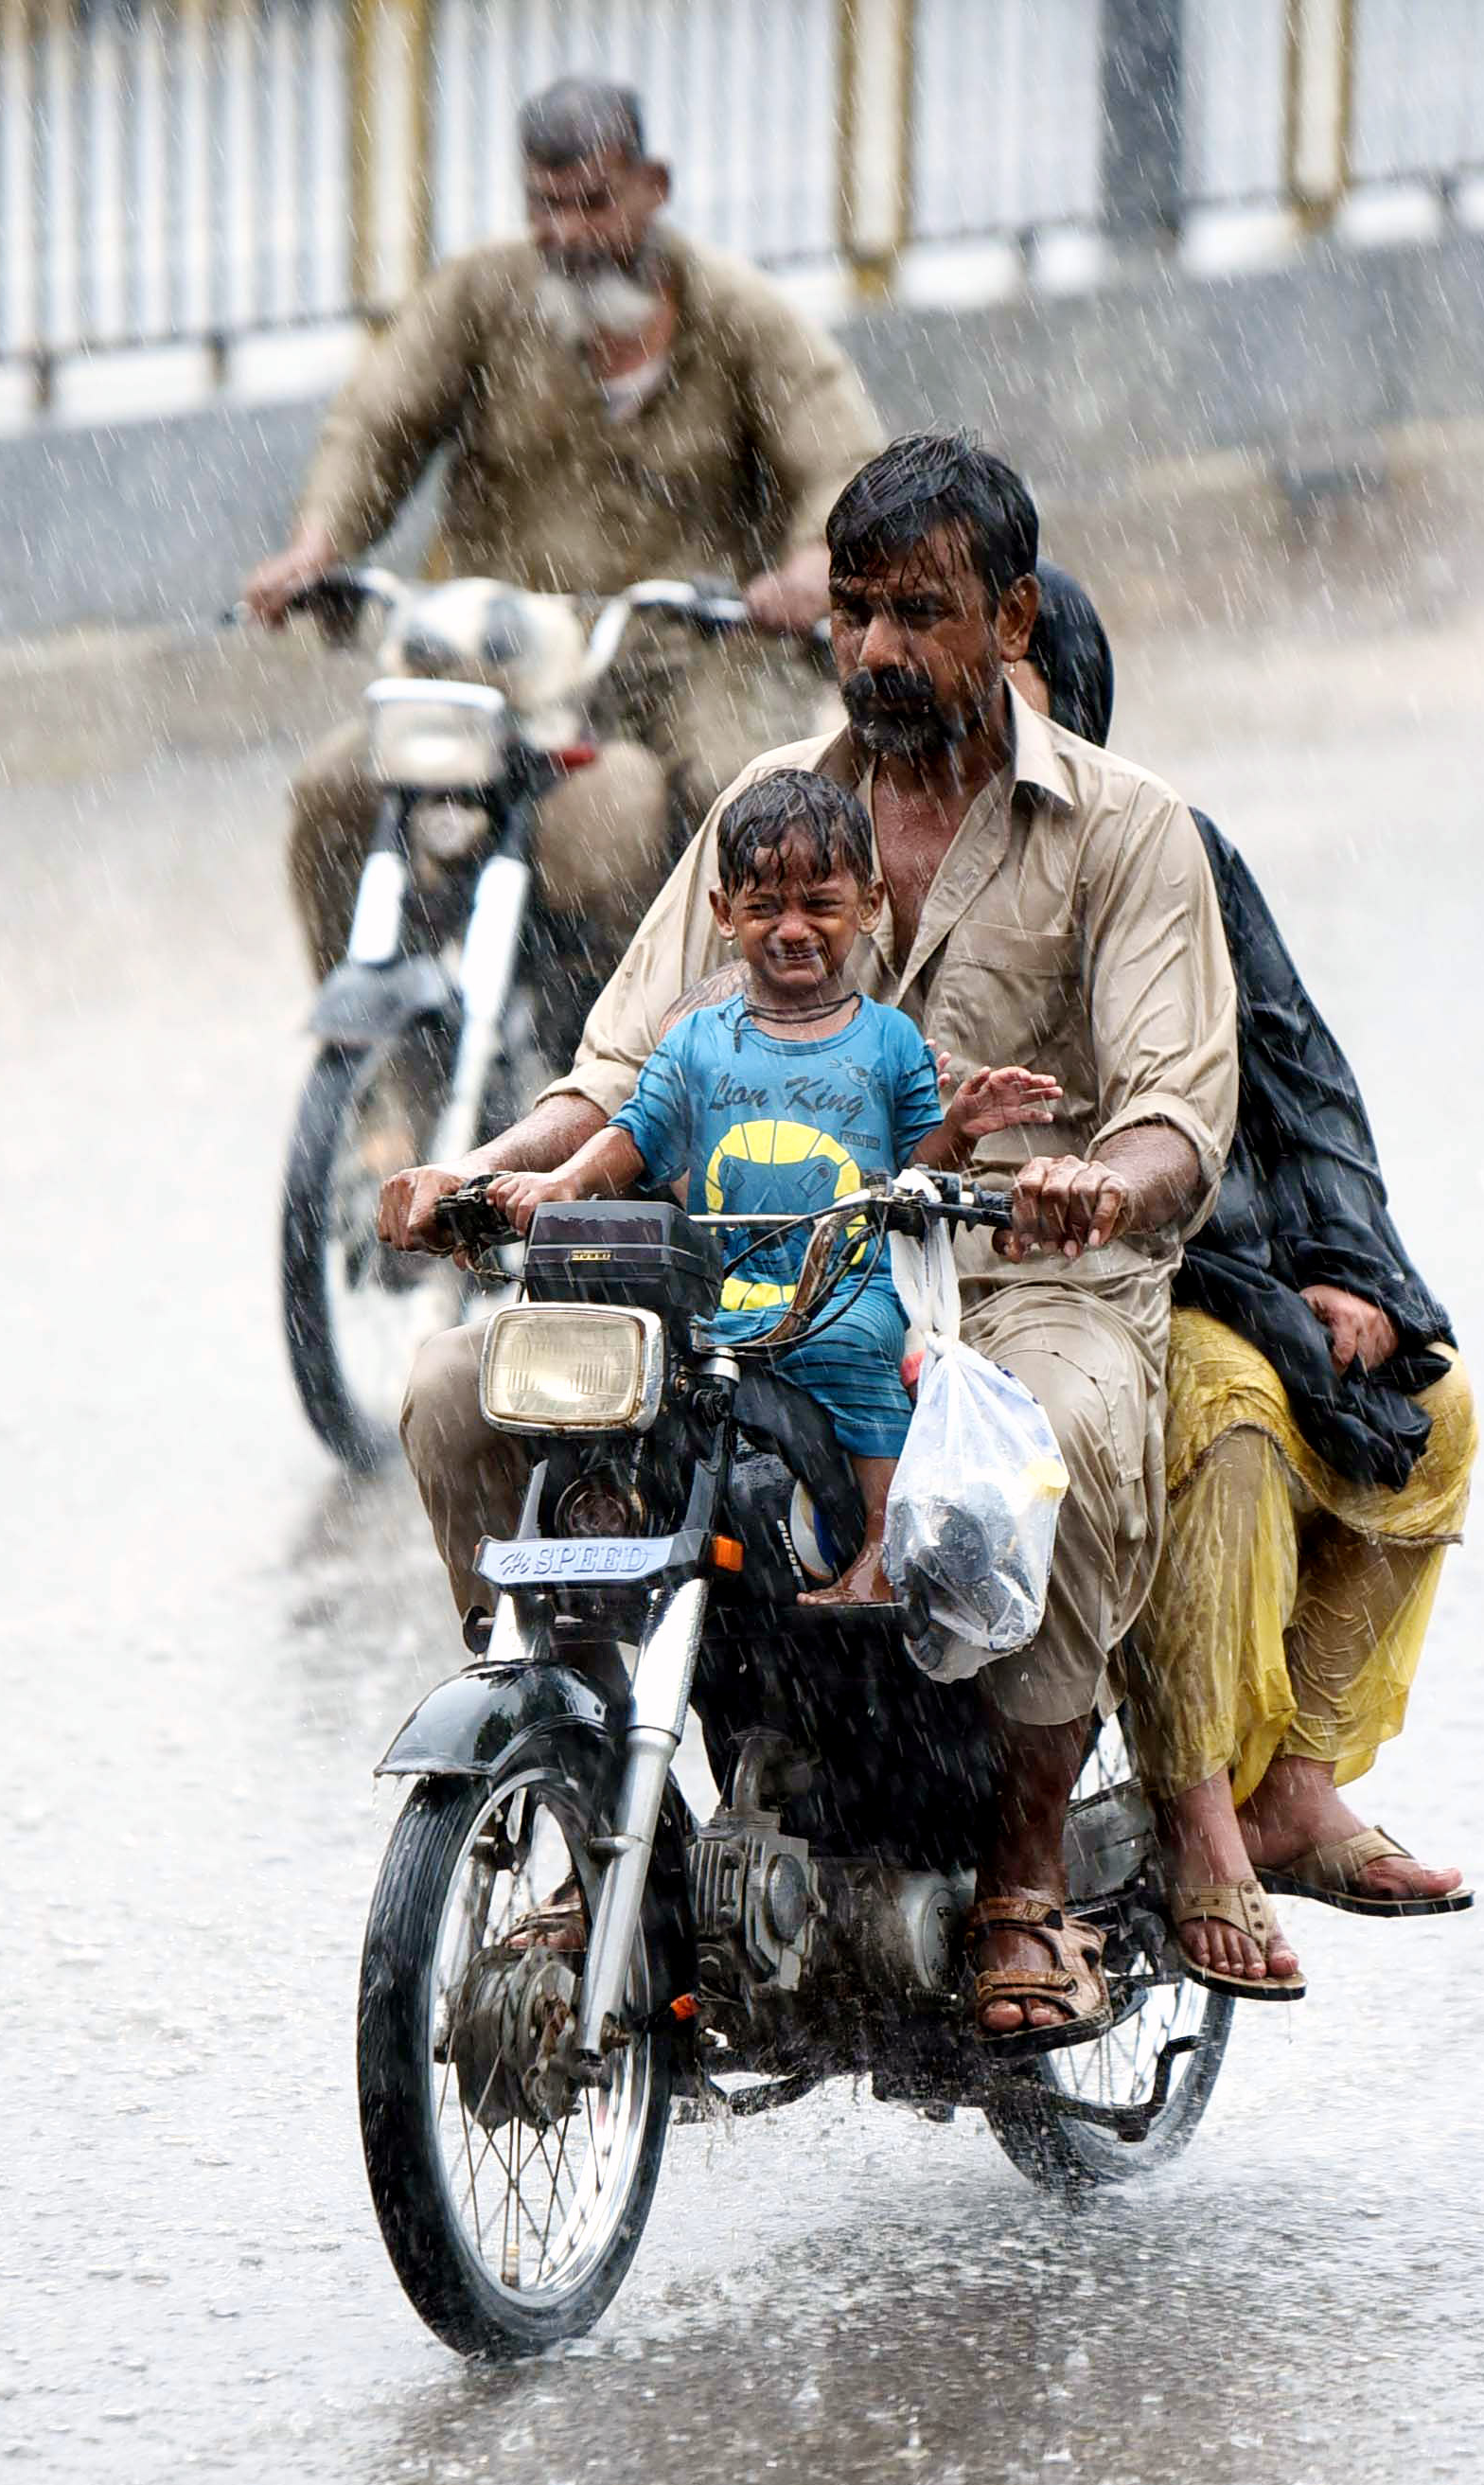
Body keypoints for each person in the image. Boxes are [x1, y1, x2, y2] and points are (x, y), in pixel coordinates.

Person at [379, 434, 1240, 2053]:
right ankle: (599, 1805)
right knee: (461, 1392)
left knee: (1026, 1442)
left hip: (1018, 1280)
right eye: (852, 614)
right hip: (769, 1284)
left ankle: (1024, 1876)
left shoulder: (1129, 833)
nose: (876, 653)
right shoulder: (776, 813)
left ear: (1012, 620)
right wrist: (475, 1174)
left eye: (919, 614)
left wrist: (1094, 1184)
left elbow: (1177, 1111)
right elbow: (621, 1067)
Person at [1012, 569, 1475, 2007]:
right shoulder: (889, 862)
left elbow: (1296, 1078)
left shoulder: (1169, 851)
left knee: (1433, 1412)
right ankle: (1199, 1811)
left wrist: (1360, 1277)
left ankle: (1296, 1789)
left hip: (1234, 1250)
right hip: (1091, 1276)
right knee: (1225, 1420)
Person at [241, 77, 885, 979]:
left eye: (593, 203)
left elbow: (841, 454)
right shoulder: (482, 297)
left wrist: (815, 565)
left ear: (652, 187)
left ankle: (736, 1045)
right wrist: (320, 543)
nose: (569, 236)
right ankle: (382, 1079)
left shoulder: (736, 315)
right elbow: (377, 422)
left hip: (694, 649)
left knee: (746, 803)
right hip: (505, 650)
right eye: (545, 208)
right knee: (339, 794)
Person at [479, 769, 1065, 1608]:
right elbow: (634, 1131)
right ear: (724, 914)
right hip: (728, 1280)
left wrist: (963, 1124)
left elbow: (919, 1164)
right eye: (764, 909)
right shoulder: (694, 1044)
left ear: (867, 904)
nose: (793, 930)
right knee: (642, 1372)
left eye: (819, 906)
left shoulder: (891, 1041)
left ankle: (877, 1548)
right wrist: (560, 1182)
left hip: (842, 1282)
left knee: (854, 1348)